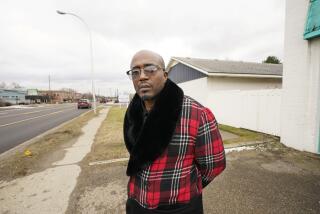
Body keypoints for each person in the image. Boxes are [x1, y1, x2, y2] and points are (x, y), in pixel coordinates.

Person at [123, 50, 226, 214]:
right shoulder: (132, 111)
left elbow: (215, 165)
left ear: (165, 75)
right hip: (137, 204)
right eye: (135, 72)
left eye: (149, 69)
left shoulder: (197, 114)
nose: (141, 76)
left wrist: (185, 187)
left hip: (180, 208)